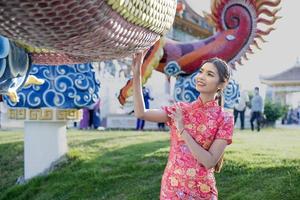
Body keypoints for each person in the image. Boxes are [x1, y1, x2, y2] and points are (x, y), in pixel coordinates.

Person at [132, 52, 234, 200]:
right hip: (172, 189)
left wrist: (182, 129)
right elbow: (141, 113)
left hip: (202, 192)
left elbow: (209, 161)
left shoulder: (225, 118)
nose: (201, 77)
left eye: (210, 74)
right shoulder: (180, 109)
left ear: (222, 84)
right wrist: (137, 76)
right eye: (201, 72)